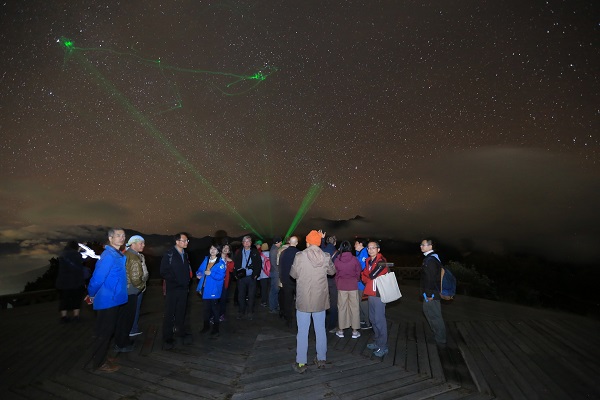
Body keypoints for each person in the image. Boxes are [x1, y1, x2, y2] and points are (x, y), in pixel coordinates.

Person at [290, 230, 336, 373]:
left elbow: (293, 274)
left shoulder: (300, 256)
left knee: (302, 331)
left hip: (304, 299)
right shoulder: (326, 256)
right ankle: (321, 359)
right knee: (320, 329)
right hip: (320, 300)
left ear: (308, 242)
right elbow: (332, 272)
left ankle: (301, 363)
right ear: (319, 243)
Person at [86, 228, 128, 372]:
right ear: (110, 238)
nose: (122, 238)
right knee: (103, 332)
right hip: (107, 299)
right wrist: (91, 293)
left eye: (123, 235)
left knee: (107, 331)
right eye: (118, 235)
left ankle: (102, 355)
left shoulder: (117, 254)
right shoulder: (109, 256)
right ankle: (99, 362)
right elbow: (97, 278)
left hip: (115, 298)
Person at [160, 232, 193, 349]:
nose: (186, 243)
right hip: (173, 289)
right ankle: (167, 337)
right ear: (177, 241)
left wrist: (186, 282)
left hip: (183, 289)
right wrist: (175, 281)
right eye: (184, 241)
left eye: (187, 241)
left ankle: (180, 331)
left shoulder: (185, 254)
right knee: (170, 313)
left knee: (181, 311)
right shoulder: (169, 254)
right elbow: (163, 271)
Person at [361, 240, 389, 357]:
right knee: (372, 319)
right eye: (368, 248)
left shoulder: (382, 261)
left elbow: (371, 274)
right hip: (370, 293)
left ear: (378, 249)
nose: (370, 250)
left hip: (379, 294)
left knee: (379, 320)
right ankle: (377, 341)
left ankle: (383, 346)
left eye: (373, 248)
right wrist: (367, 276)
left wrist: (367, 275)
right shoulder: (368, 261)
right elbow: (363, 276)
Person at [196, 244, 227, 337]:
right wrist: (199, 274)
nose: (212, 250)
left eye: (215, 249)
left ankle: (216, 328)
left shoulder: (220, 263)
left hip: (213, 290)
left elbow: (221, 277)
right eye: (211, 248)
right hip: (205, 289)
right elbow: (200, 270)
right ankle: (206, 327)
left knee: (215, 309)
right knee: (206, 309)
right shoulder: (206, 259)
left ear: (218, 252)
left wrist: (211, 273)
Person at [420, 239, 447, 345]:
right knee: (428, 312)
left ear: (430, 246)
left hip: (431, 294)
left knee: (435, 316)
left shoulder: (430, 260)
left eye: (423, 245)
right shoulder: (432, 258)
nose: (421, 246)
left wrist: (430, 294)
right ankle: (437, 335)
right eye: (420, 244)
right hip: (430, 293)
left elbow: (431, 279)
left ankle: (440, 339)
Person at [334, 241, 361, 339]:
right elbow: (358, 272)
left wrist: (338, 282)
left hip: (341, 286)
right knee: (354, 308)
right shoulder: (354, 260)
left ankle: (341, 330)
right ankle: (354, 331)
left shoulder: (337, 260)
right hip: (353, 285)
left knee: (341, 308)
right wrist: (355, 279)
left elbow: (335, 274)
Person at [55, 241, 86, 323]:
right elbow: (82, 262)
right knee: (76, 299)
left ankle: (63, 317)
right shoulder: (77, 255)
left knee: (64, 299)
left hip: (63, 282)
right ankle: (76, 316)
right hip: (77, 281)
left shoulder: (62, 254)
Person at [233, 235, 261, 320]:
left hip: (251, 277)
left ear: (251, 243)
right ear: (242, 243)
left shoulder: (255, 251)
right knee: (241, 295)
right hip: (241, 277)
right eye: (245, 241)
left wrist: (256, 274)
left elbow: (258, 264)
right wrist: (235, 274)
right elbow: (235, 263)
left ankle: (250, 312)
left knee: (251, 295)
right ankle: (241, 311)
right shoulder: (239, 252)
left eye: (248, 241)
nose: (246, 243)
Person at [128, 236, 149, 337]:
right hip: (134, 289)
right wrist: (141, 286)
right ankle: (132, 329)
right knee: (134, 309)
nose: (143, 245)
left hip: (134, 288)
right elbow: (135, 277)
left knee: (134, 309)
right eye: (141, 243)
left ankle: (133, 328)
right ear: (133, 244)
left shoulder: (138, 255)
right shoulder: (132, 256)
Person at [278, 236, 300, 327]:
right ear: (297, 243)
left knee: (287, 300)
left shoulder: (283, 253)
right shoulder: (299, 253)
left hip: (286, 280)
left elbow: (281, 267)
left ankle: (288, 319)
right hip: (296, 280)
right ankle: (299, 319)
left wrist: (282, 278)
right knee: (298, 300)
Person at [319, 231, 338, 332]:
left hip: (323, 280)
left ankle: (322, 323)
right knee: (334, 303)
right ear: (335, 243)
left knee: (323, 302)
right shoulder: (337, 253)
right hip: (333, 281)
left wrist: (322, 239)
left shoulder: (322, 251)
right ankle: (332, 325)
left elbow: (322, 248)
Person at [354, 238, 371, 329]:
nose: (354, 245)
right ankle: (362, 319)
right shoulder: (359, 253)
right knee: (360, 302)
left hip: (362, 283)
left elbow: (362, 268)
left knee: (364, 302)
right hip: (359, 283)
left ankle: (368, 322)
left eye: (356, 243)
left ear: (361, 244)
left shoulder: (364, 254)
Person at [218, 243, 235, 321]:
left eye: (227, 248)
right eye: (224, 247)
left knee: (223, 300)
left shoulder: (228, 260)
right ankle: (213, 315)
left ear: (229, 251)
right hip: (215, 283)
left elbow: (231, 269)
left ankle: (221, 314)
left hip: (224, 282)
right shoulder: (216, 258)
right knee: (214, 300)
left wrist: (230, 261)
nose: (225, 249)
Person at [268, 237, 282, 314]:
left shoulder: (273, 249)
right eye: (280, 242)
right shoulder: (274, 250)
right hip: (275, 273)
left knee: (275, 290)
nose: (281, 243)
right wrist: (279, 271)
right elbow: (274, 263)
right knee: (274, 290)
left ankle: (274, 306)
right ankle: (273, 307)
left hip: (274, 272)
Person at [258, 242, 270, 307]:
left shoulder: (261, 255)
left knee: (263, 289)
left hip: (263, 274)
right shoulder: (271, 254)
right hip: (270, 274)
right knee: (270, 289)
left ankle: (264, 301)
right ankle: (270, 301)